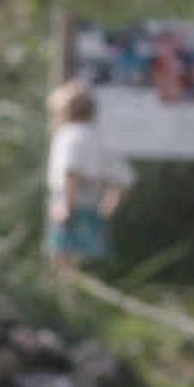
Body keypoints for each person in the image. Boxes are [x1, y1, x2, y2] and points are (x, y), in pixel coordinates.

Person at [46, 76, 131, 271]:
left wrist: (67, 206)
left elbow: (70, 172)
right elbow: (124, 179)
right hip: (94, 206)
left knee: (64, 266)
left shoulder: (68, 135)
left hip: (69, 206)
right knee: (90, 265)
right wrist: (107, 208)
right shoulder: (100, 137)